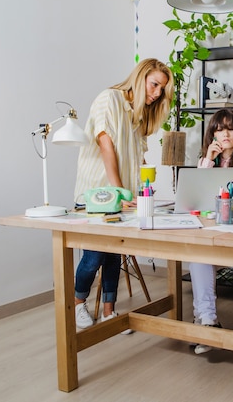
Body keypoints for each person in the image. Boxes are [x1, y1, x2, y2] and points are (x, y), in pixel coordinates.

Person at [72, 58, 174, 332]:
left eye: (161, 90)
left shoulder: (138, 114)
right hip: (97, 196)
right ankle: (77, 303)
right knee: (93, 257)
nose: (156, 93)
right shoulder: (109, 99)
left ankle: (108, 311)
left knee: (114, 255)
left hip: (122, 197)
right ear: (140, 77)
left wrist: (141, 193)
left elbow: (138, 159)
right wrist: (118, 192)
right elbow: (107, 147)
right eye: (154, 85)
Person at [189, 108, 233, 354]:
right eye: (219, 129)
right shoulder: (205, 160)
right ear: (212, 134)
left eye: (230, 128)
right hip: (209, 226)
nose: (225, 134)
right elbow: (197, 196)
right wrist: (208, 160)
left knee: (199, 254)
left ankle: (204, 321)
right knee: (198, 253)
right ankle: (207, 321)